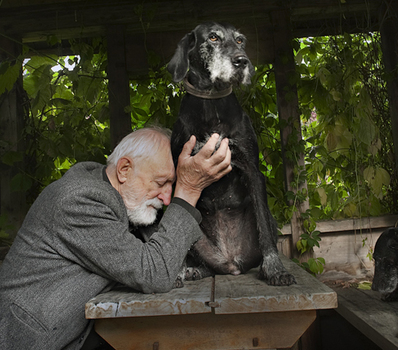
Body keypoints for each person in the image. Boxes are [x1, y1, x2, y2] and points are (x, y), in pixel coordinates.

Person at [0, 127, 231, 350]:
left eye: (172, 186)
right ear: (124, 170)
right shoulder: (79, 201)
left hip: (79, 334)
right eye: (161, 183)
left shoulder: (112, 194)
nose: (167, 198)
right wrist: (189, 189)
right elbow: (154, 272)